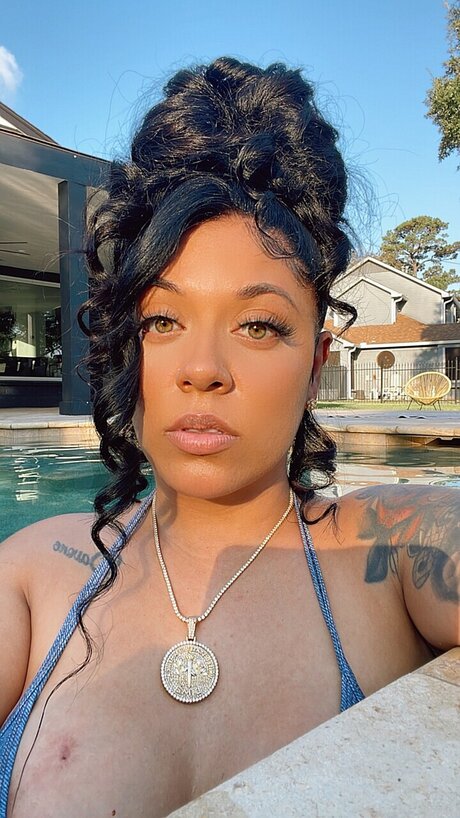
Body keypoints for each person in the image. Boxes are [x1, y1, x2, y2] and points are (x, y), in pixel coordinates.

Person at [0, 57, 458, 818]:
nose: (202, 370)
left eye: (258, 325)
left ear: (315, 365)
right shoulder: (32, 574)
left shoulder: (389, 548)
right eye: (163, 319)